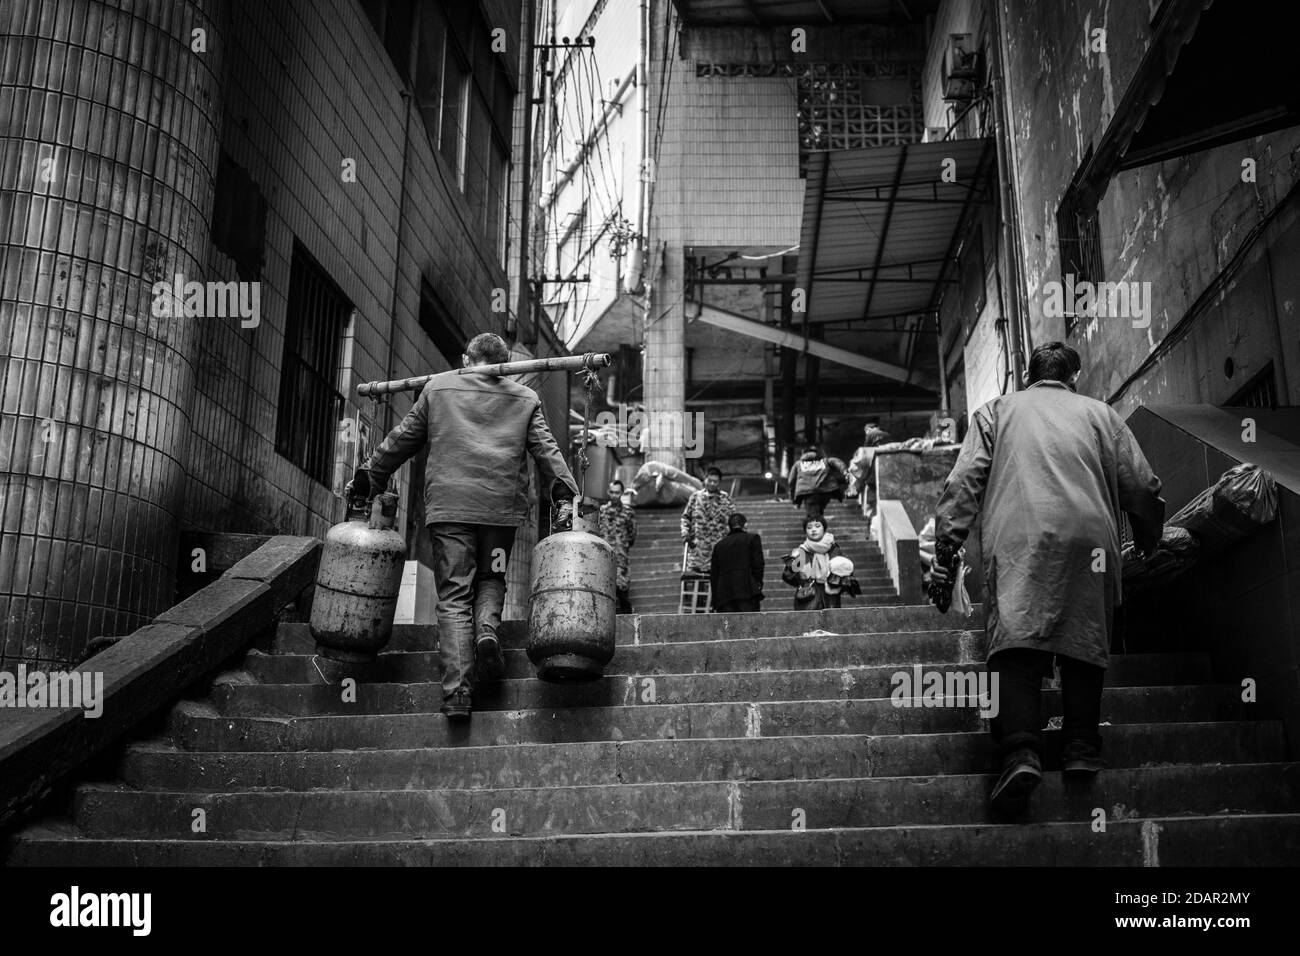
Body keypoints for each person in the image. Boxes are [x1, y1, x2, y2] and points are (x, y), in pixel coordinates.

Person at [931, 342, 1164, 817]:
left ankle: (1021, 752)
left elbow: (964, 481)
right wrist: (1148, 539)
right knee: (1084, 637)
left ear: (1029, 376)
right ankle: (1080, 747)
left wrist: (946, 547)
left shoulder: (996, 411)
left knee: (1015, 642)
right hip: (1090, 541)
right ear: (1074, 376)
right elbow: (1141, 484)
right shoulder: (1100, 414)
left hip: (1019, 540)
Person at [354, 332, 579, 721]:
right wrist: (565, 494)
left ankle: (458, 693)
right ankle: (487, 631)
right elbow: (547, 451)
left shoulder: (438, 388)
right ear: (506, 363)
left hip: (451, 509)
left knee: (455, 595)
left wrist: (370, 477)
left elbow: (401, 439)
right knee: (492, 577)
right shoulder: (525, 398)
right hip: (500, 515)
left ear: (464, 358)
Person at [781, 515, 845, 610]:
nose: (813, 530)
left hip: (829, 598)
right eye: (809, 527)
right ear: (805, 531)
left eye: (817, 526)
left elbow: (843, 577)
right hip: (808, 598)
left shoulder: (834, 550)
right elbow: (790, 578)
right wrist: (792, 561)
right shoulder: (801, 551)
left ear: (824, 529)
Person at [680, 466, 734, 573]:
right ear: (705, 479)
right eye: (710, 481)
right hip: (698, 548)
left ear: (719, 482)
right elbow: (686, 518)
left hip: (719, 548)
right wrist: (685, 534)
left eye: (715, 481)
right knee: (696, 580)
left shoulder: (725, 498)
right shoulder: (695, 497)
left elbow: (733, 520)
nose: (712, 484)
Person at [709, 513, 765, 612]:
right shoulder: (752, 539)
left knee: (728, 626)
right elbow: (758, 565)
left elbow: (714, 575)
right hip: (747, 590)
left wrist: (715, 600)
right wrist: (757, 583)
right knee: (748, 625)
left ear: (729, 527)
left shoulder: (719, 545)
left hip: (724, 594)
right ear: (745, 525)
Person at [598, 478, 637, 614]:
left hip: (621, 556)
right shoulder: (602, 511)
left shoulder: (628, 512)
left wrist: (623, 545)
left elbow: (632, 533)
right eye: (612, 492)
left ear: (622, 493)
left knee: (622, 587)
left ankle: (627, 616)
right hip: (604, 556)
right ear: (608, 492)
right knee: (605, 586)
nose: (615, 495)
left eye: (618, 492)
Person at [787, 446, 848, 522]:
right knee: (818, 511)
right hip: (826, 491)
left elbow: (791, 481)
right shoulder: (825, 461)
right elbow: (836, 462)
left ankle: (817, 528)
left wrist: (794, 499)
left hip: (808, 492)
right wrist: (845, 471)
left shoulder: (798, 464)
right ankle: (820, 525)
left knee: (812, 515)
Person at [846, 424, 890, 519]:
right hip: (888, 473)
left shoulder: (871, 435)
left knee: (872, 502)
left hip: (873, 478)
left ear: (870, 429)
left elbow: (865, 451)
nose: (867, 432)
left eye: (867, 430)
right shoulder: (887, 434)